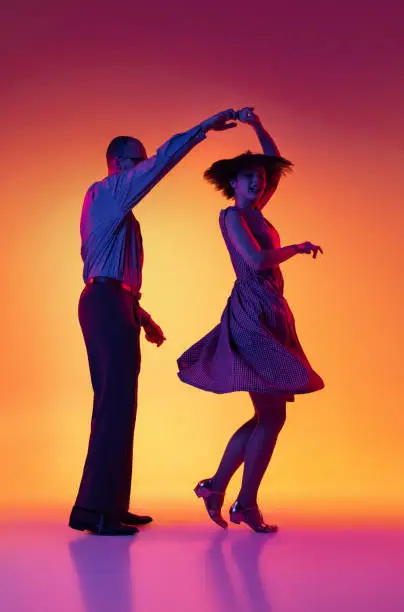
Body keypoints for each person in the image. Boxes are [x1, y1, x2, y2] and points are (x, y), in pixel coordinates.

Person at [69, 108, 238, 536]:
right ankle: (95, 511)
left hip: (115, 303)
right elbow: (162, 161)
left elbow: (111, 272)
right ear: (116, 164)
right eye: (136, 161)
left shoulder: (121, 215)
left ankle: (109, 505)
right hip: (105, 302)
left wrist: (141, 317)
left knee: (121, 405)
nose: (144, 167)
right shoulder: (106, 192)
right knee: (114, 404)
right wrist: (202, 129)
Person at [177, 107, 324, 533]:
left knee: (269, 415)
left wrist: (258, 126)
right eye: (249, 178)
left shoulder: (258, 210)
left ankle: (219, 487)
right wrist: (294, 249)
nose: (258, 182)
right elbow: (258, 259)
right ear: (233, 184)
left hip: (271, 310)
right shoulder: (233, 216)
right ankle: (242, 501)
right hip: (252, 312)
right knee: (272, 414)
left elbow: (275, 162)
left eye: (261, 178)